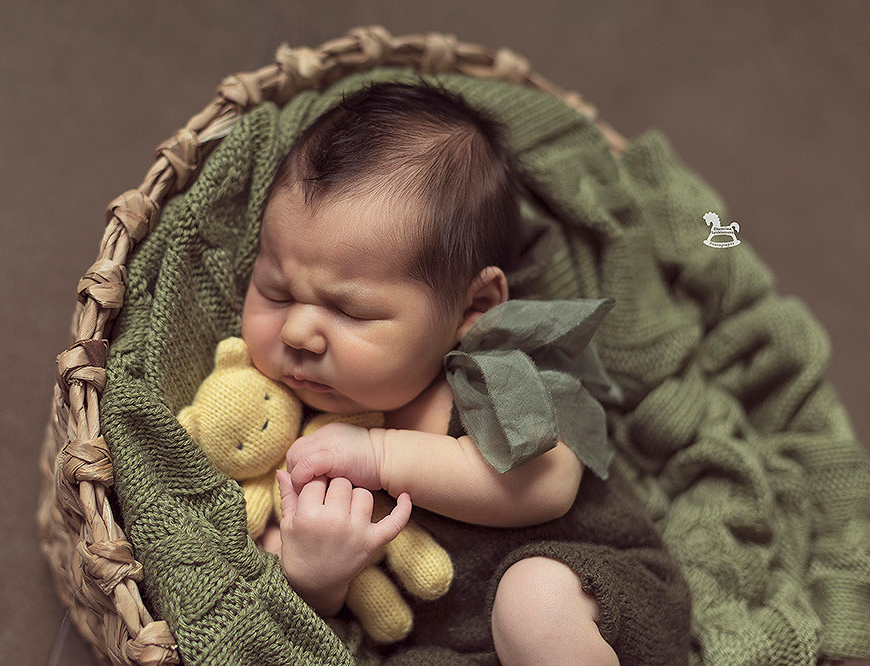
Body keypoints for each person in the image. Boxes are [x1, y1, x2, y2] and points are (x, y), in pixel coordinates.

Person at [240, 80, 687, 665]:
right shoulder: (281, 425)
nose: (298, 332)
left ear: (472, 309)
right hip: (447, 648)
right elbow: (312, 616)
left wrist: (377, 454)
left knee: (534, 603)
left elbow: (547, 483)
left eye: (348, 309)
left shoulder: (498, 366)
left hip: (595, 597)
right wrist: (316, 575)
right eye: (274, 291)